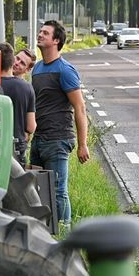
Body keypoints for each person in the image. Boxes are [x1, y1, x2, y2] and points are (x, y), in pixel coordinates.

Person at [29, 19, 90, 229]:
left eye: (45, 33)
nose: (40, 34)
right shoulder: (36, 69)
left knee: (58, 191)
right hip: (38, 139)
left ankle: (64, 232)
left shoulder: (65, 70)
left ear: (56, 41)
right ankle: (46, 231)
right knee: (36, 188)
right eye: (40, 31)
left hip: (58, 140)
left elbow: (80, 108)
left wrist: (83, 144)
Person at [0, 43, 36, 165]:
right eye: (17, 58)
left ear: (28, 70)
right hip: (17, 148)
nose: (17, 63)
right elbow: (31, 126)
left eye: (22, 63)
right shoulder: (27, 89)